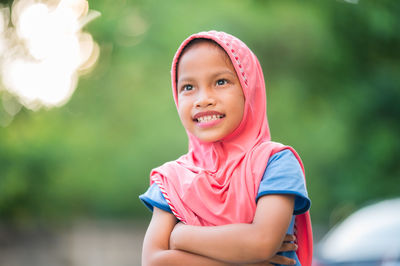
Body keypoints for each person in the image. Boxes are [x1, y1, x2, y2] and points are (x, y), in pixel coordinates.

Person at [139, 30, 313, 266]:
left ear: (248, 89)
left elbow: (261, 242)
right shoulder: (173, 179)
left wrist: (181, 235)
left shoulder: (275, 162)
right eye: (188, 87)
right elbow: (154, 260)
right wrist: (244, 261)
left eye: (221, 82)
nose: (203, 99)